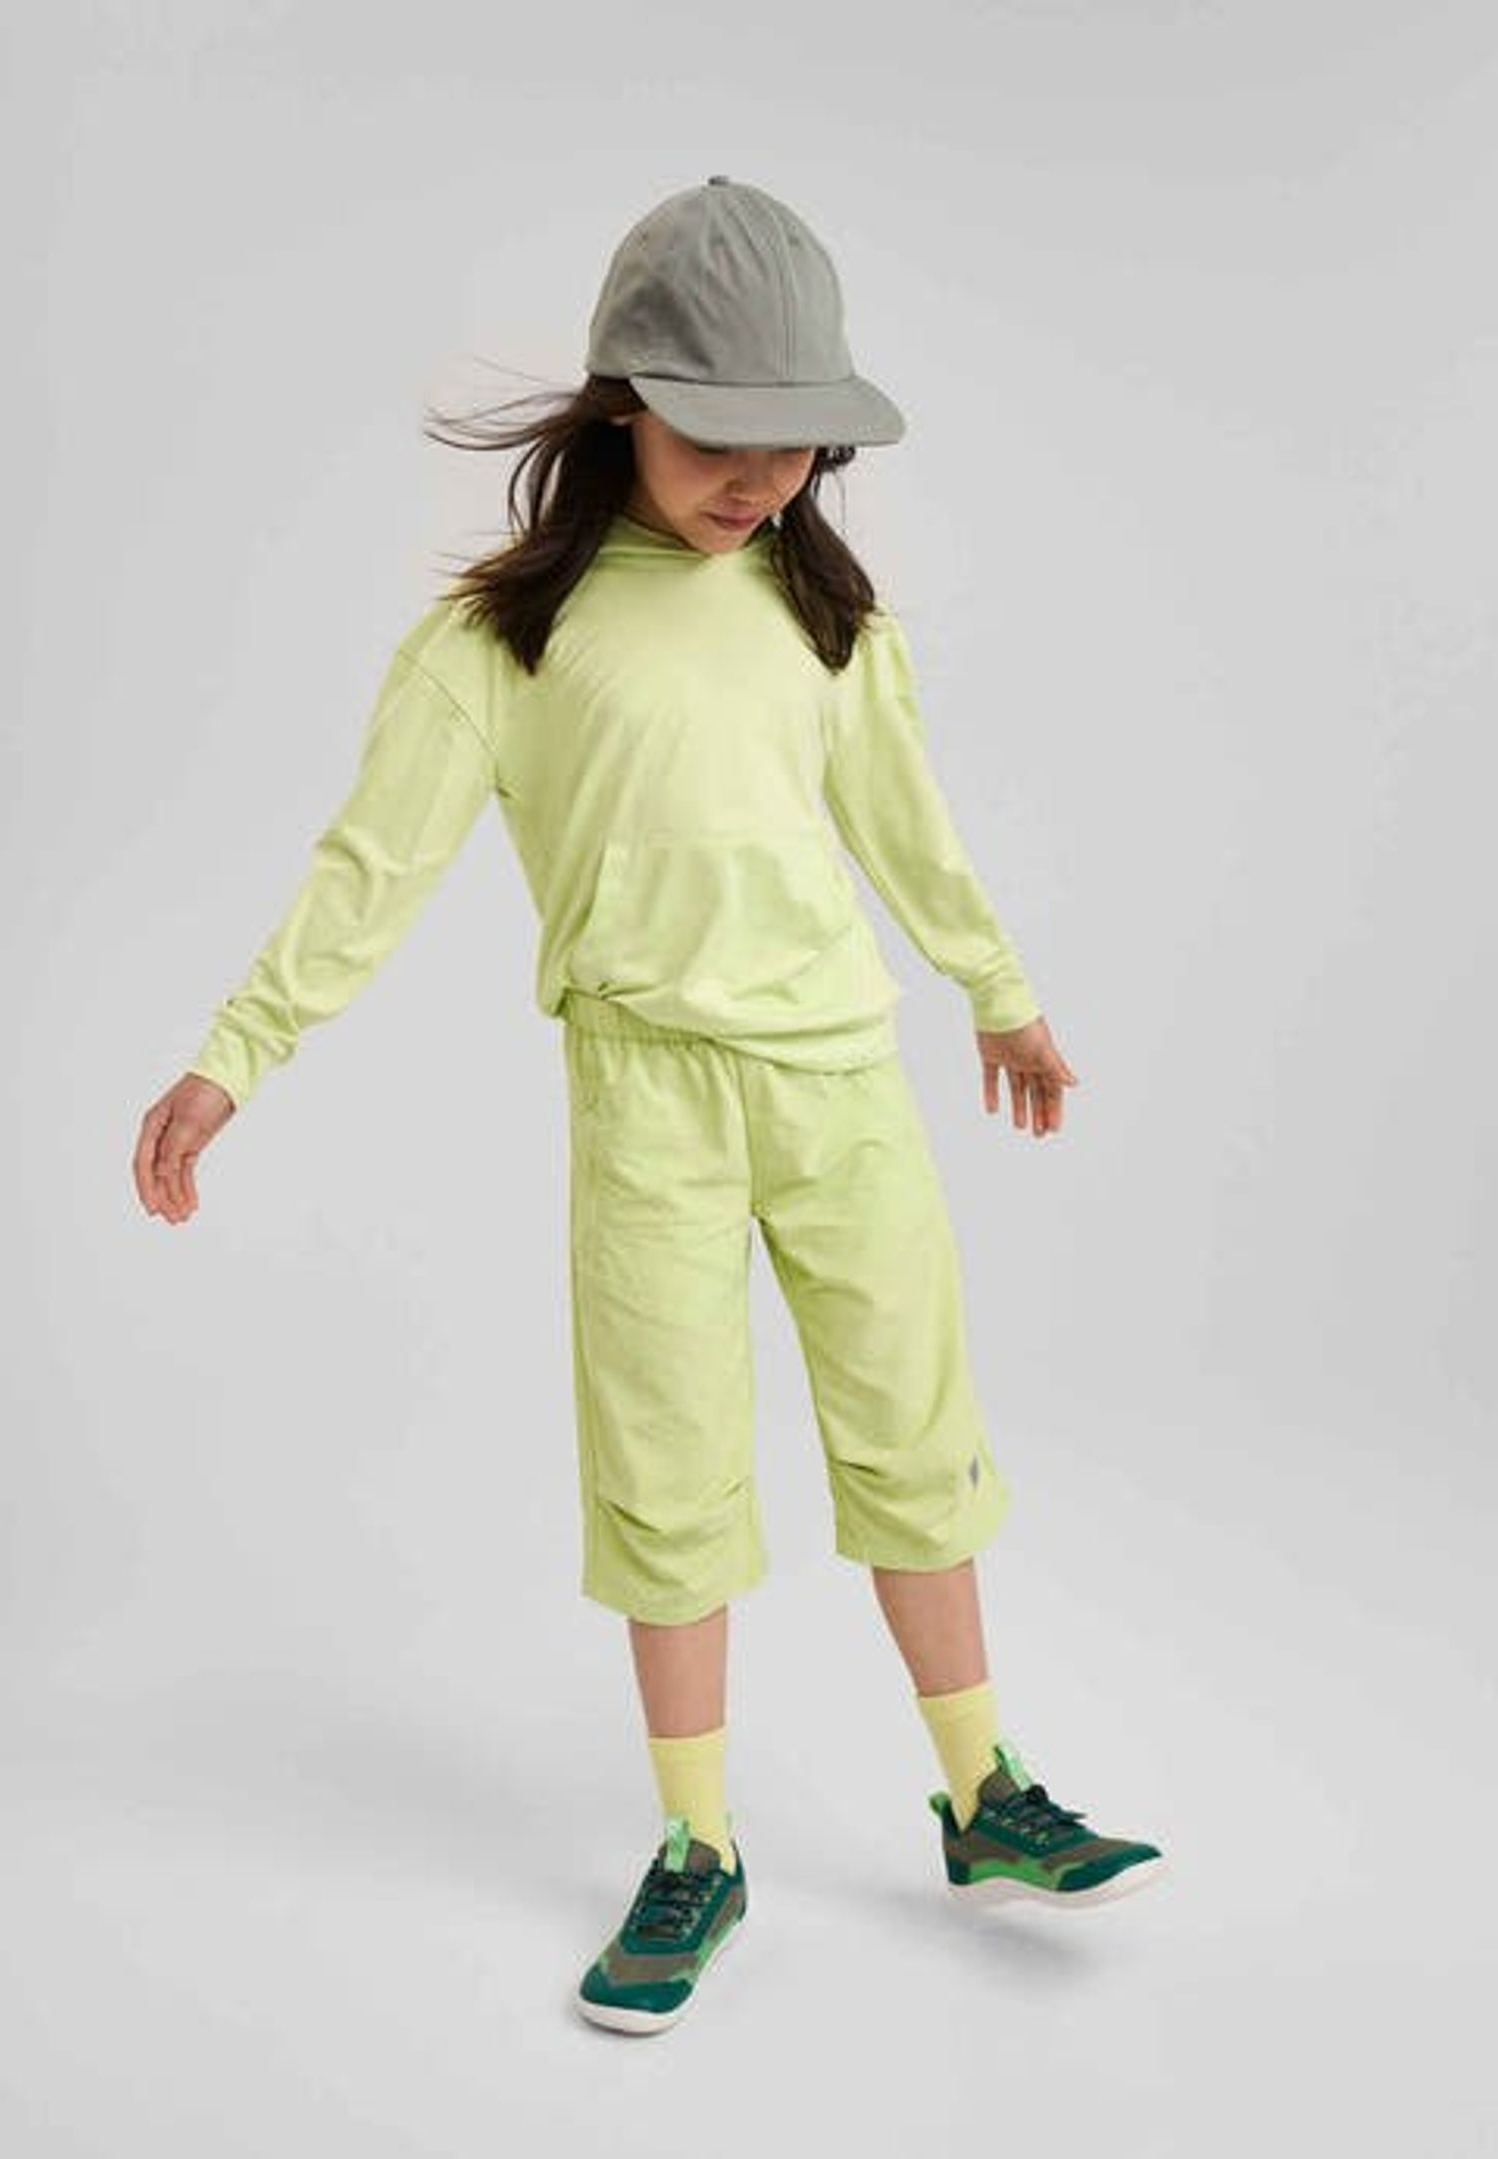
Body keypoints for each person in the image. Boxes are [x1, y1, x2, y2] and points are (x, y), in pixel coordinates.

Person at [132, 174, 1164, 2039]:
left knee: (914, 1439)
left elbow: (906, 824)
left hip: (841, 1083)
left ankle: (983, 1792)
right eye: (717, 437)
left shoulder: (824, 613)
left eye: (796, 443)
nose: (760, 479)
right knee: (669, 1475)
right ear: (622, 407)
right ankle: (699, 1847)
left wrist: (998, 994)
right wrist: (235, 1055)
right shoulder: (501, 641)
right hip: (650, 1104)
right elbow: (371, 865)